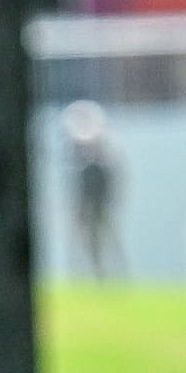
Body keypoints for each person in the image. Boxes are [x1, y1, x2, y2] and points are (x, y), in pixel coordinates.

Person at [63, 99, 125, 280]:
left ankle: (111, 274)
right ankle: (86, 275)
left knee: (106, 237)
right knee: (84, 239)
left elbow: (111, 186)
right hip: (87, 206)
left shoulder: (101, 166)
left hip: (100, 206)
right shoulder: (83, 166)